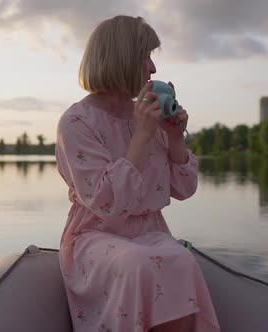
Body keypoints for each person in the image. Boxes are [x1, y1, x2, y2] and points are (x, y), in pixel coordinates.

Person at [55, 15, 220, 332]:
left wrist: (173, 137)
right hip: (95, 236)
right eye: (146, 57)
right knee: (137, 264)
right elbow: (107, 203)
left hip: (150, 233)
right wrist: (142, 135)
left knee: (182, 260)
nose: (153, 69)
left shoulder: (147, 115)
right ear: (123, 58)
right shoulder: (76, 122)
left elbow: (184, 189)